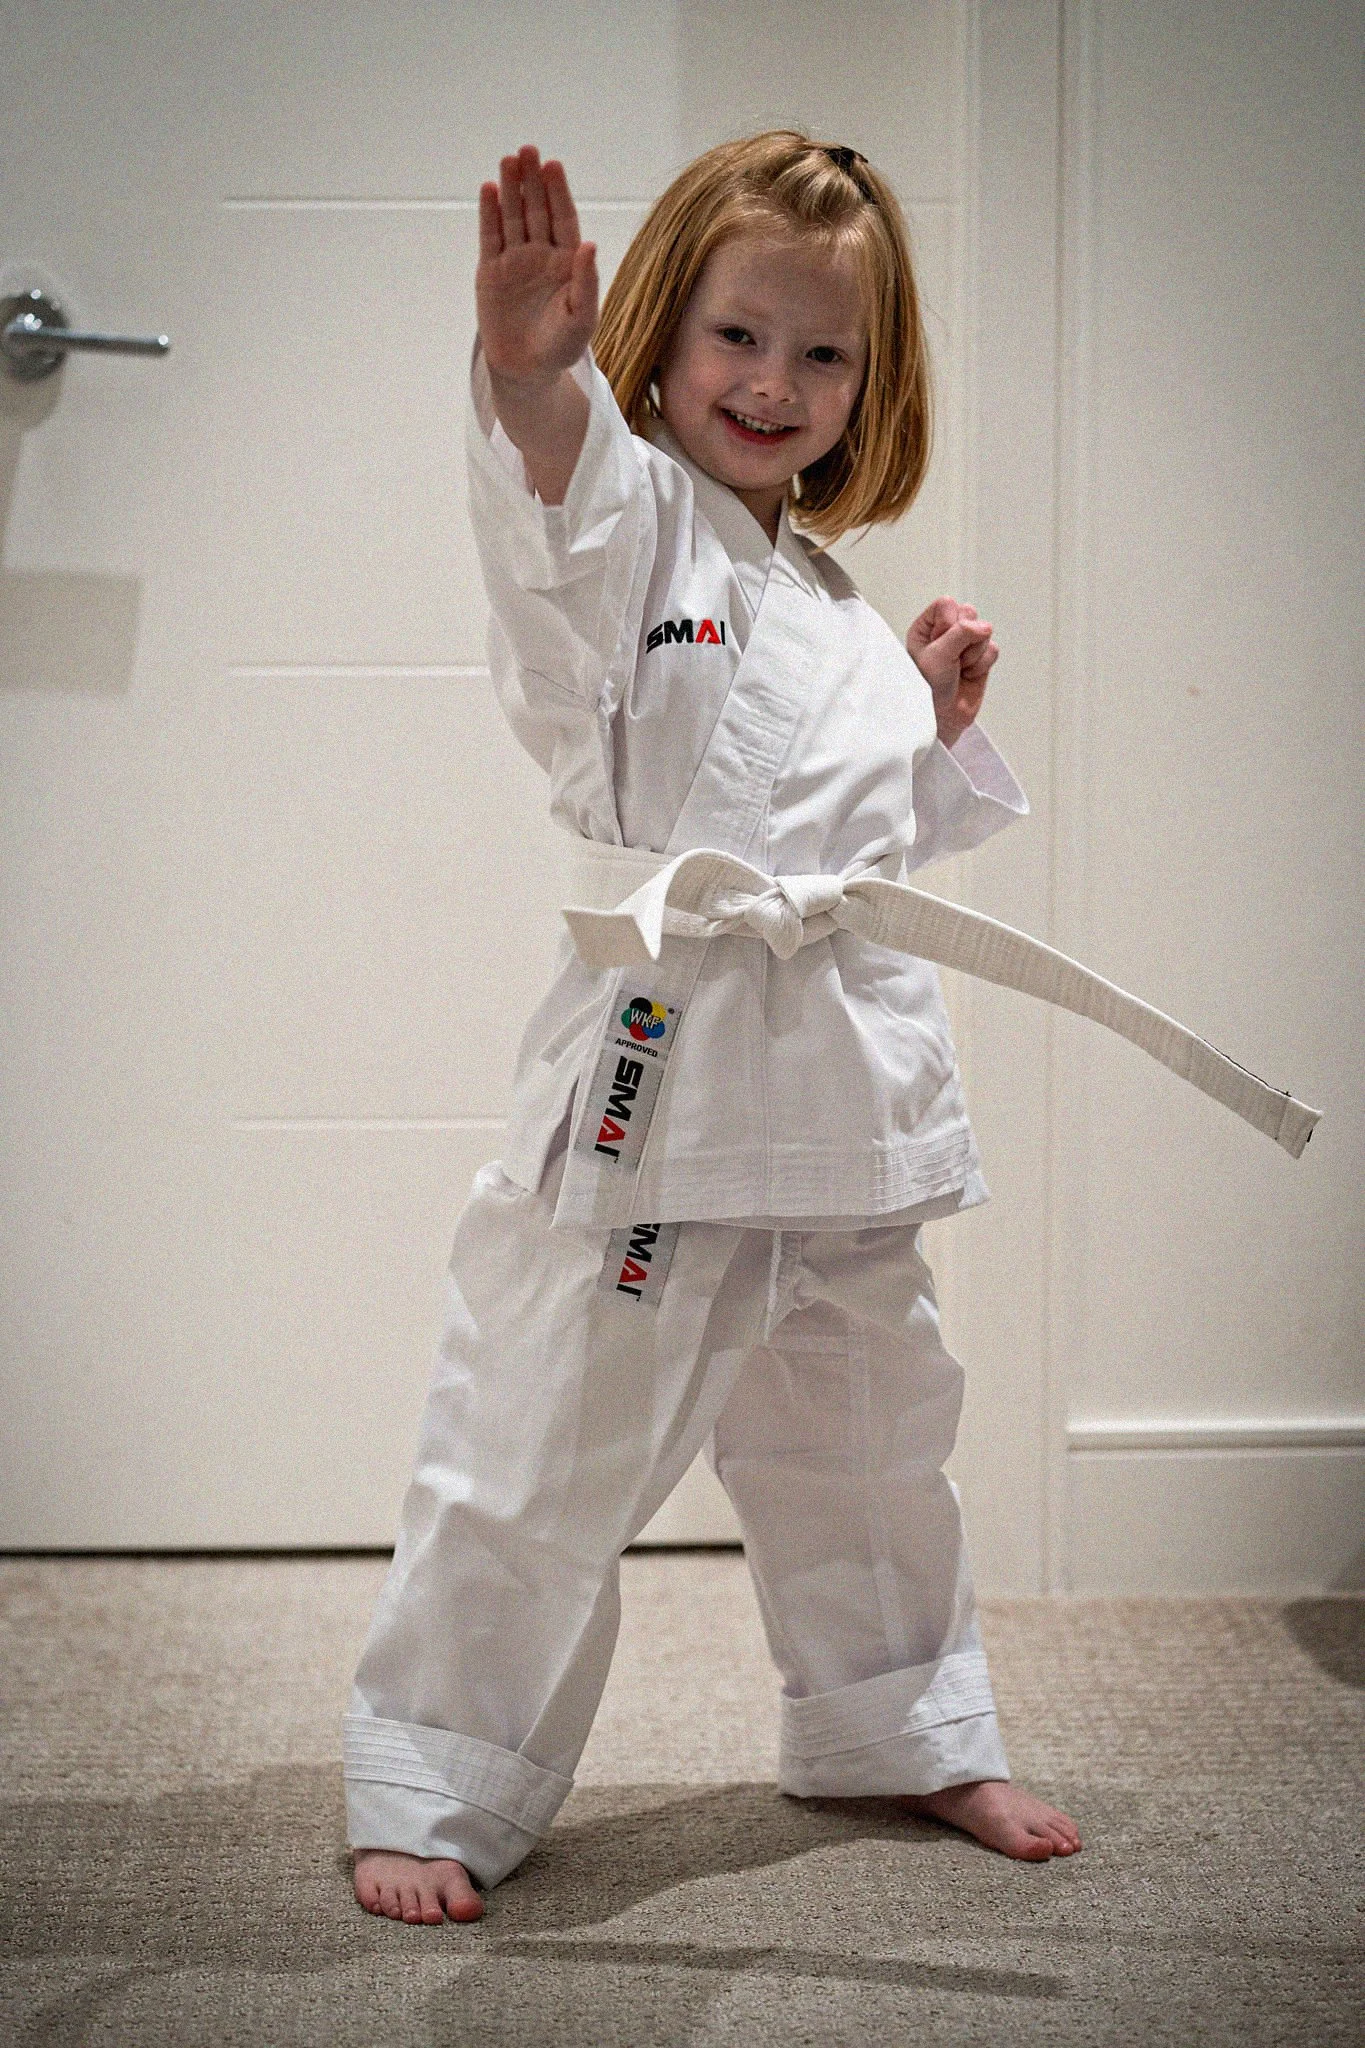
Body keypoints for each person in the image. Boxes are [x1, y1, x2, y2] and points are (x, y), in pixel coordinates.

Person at [345, 132, 1083, 1928]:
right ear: (664, 332)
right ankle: (439, 1773)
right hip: (663, 1089)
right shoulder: (637, 522)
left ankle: (899, 1728)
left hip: (840, 1098)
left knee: (874, 1440)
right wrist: (533, 377)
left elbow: (853, 846)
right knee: (539, 1438)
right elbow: (559, 521)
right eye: (739, 335)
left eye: (824, 354)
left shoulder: (824, 597)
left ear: (871, 383)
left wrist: (917, 719)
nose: (774, 384)